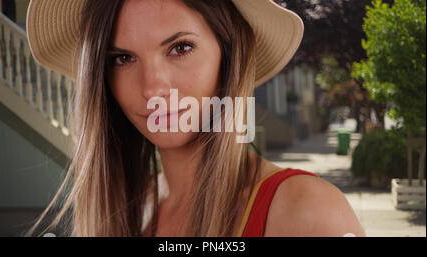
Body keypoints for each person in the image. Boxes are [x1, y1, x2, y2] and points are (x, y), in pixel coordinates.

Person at [25, 0, 365, 237]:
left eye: (180, 48)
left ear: (229, 54)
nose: (153, 88)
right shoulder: (127, 209)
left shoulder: (307, 211)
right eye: (122, 58)